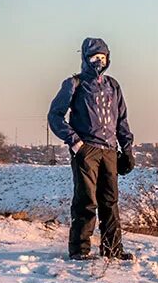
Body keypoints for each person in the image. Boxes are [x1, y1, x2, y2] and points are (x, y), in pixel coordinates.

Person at [47, 37, 136, 260]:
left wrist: (127, 149)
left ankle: (113, 250)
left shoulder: (113, 85)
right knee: (86, 200)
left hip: (109, 151)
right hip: (87, 150)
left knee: (110, 201)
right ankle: (80, 250)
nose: (99, 61)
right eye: (94, 57)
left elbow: (122, 120)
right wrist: (76, 143)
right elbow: (55, 116)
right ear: (85, 59)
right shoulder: (74, 83)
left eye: (103, 57)